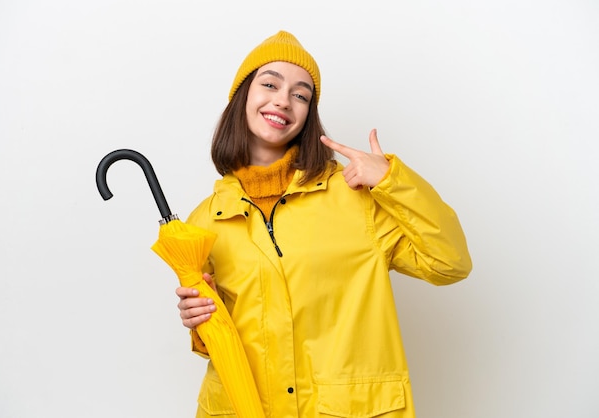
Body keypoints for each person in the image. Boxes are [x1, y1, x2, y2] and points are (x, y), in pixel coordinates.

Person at [175, 30, 472, 418]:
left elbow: (449, 263)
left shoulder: (355, 197)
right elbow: (228, 335)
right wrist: (199, 322)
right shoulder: (205, 219)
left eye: (300, 94)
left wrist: (390, 181)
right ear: (242, 96)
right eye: (270, 84)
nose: (283, 99)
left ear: (308, 114)